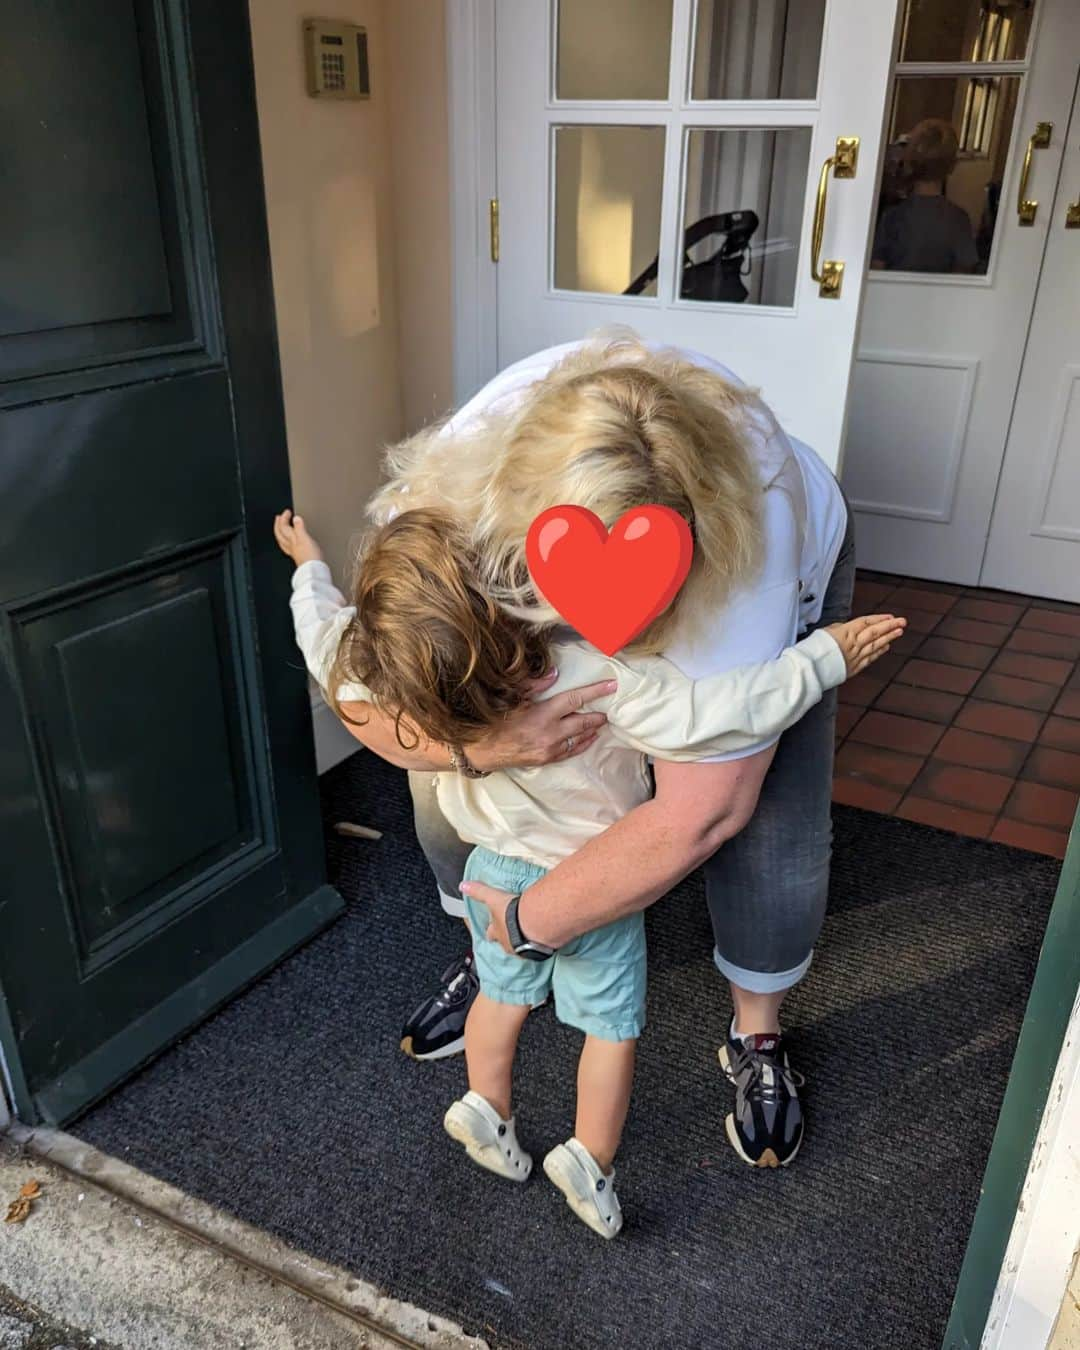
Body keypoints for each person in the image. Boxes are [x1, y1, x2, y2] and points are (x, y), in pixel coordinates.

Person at [304, 333, 857, 1169]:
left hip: (759, 588)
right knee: (444, 786)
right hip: (541, 559)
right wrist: (482, 745)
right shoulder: (449, 495)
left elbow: (705, 812)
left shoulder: (755, 545)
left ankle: (757, 1029)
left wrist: (531, 920)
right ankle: (488, 959)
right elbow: (364, 687)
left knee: (770, 827)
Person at [274, 505, 903, 1233]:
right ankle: (590, 1160)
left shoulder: (396, 680)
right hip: (592, 885)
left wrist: (307, 565)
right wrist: (823, 657)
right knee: (608, 1029)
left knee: (501, 1001)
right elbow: (720, 712)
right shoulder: (596, 677)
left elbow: (322, 637)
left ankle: (487, 1105)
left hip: (492, 873)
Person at [871, 118, 979, 274]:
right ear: (952, 165)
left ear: (909, 161)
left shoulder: (892, 217)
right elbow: (963, 274)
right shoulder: (959, 219)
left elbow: (877, 270)